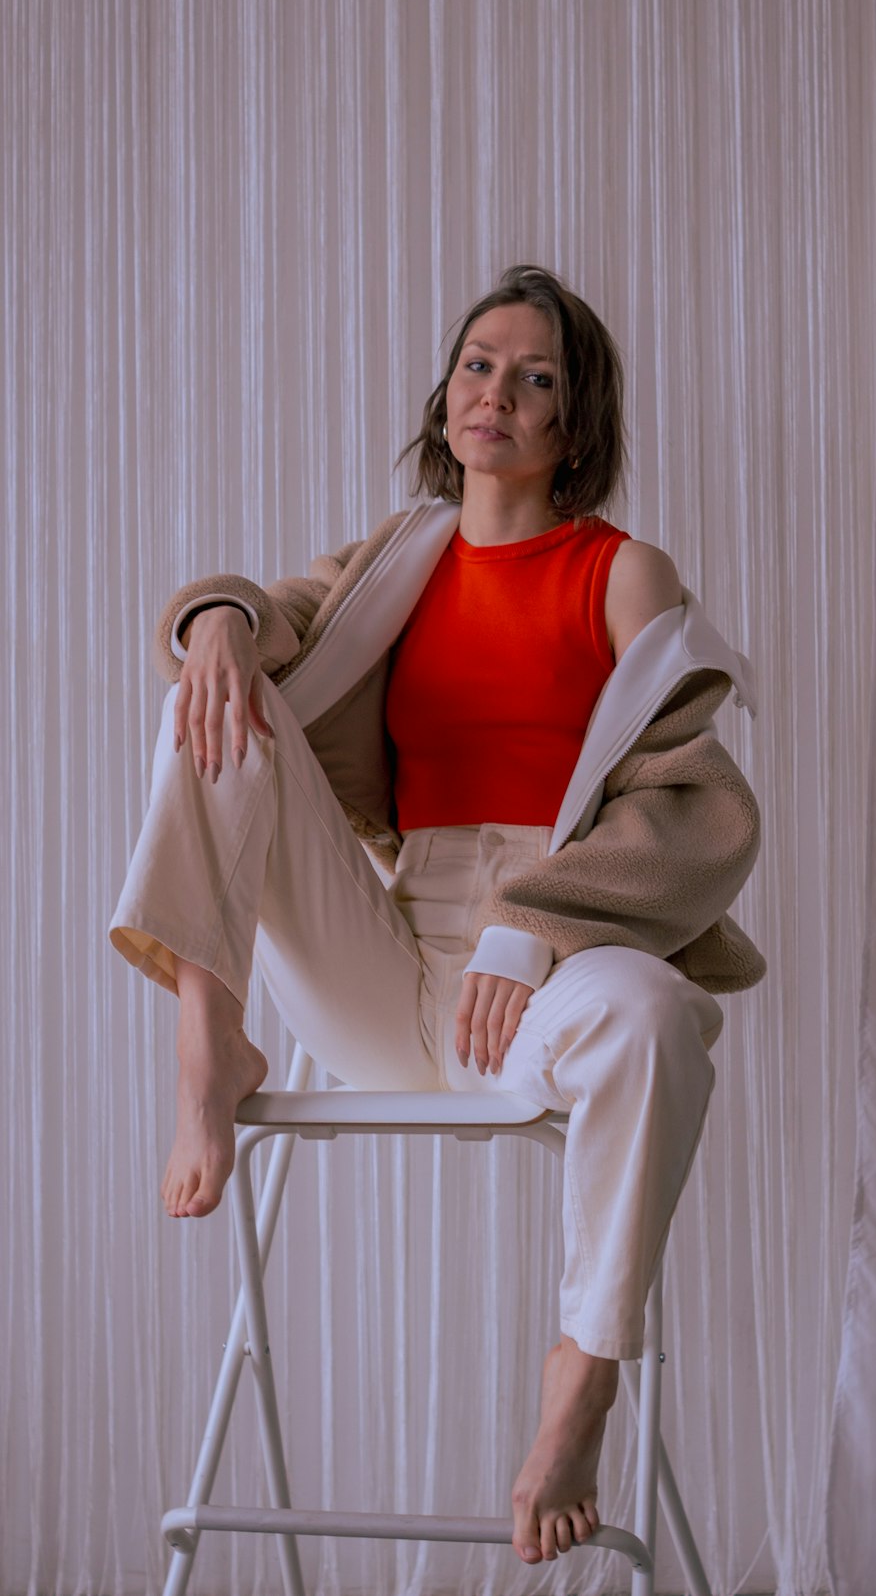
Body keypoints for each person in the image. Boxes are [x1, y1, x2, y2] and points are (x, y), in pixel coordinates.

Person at [110, 262, 765, 1566]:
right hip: (390, 956)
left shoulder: (622, 573)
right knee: (216, 693)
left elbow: (696, 817)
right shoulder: (398, 560)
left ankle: (583, 1374)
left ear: (573, 426)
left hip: (553, 962)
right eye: (479, 364)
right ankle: (210, 1036)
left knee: (654, 1012)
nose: (498, 393)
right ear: (446, 394)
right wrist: (225, 625)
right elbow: (265, 615)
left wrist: (535, 927)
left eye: (536, 377)